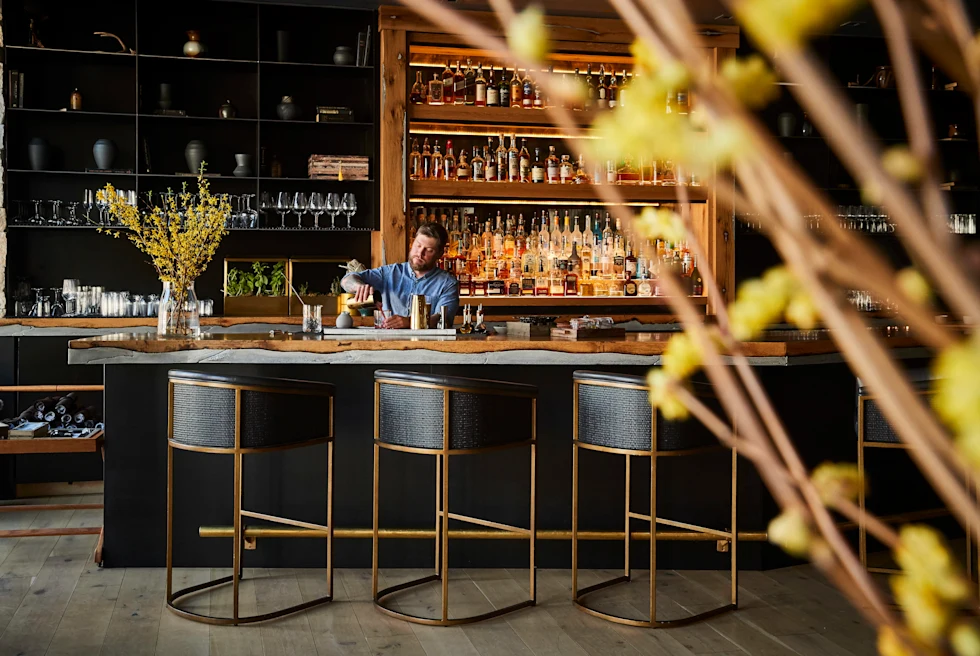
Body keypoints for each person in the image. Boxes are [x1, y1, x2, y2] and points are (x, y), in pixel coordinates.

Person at [341, 223, 459, 329]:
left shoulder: (448, 283)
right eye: (418, 246)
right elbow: (346, 281)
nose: (420, 253)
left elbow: (443, 319)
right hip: (390, 345)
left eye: (428, 250)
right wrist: (358, 286)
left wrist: (410, 322)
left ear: (439, 254)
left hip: (429, 348)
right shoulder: (389, 273)